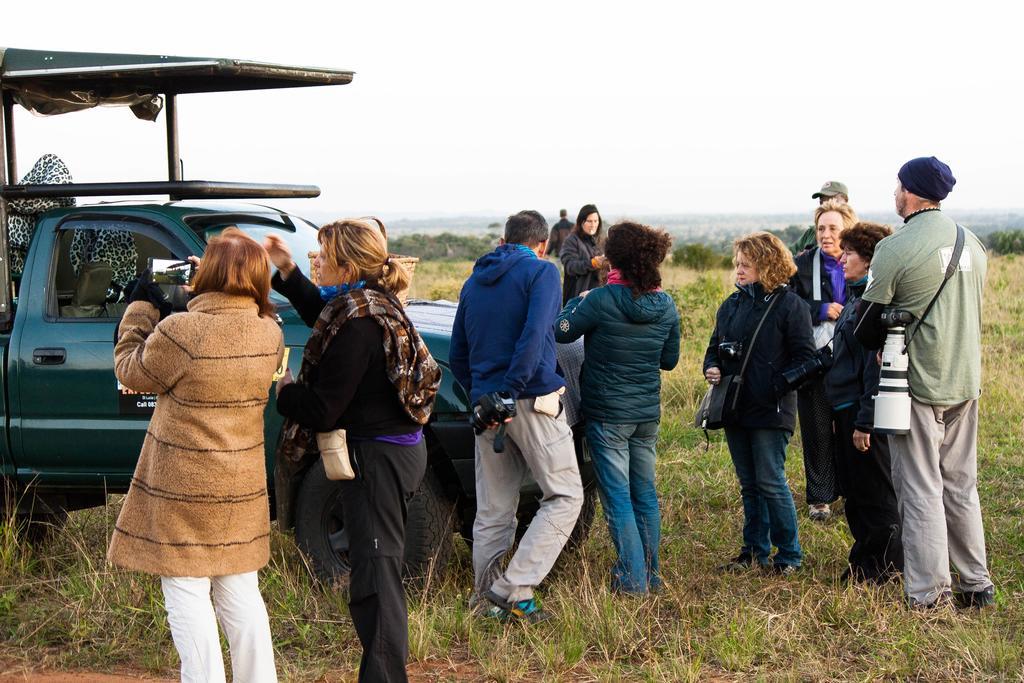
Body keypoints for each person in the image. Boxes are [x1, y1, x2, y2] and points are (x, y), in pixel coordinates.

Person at [266, 218, 441, 680]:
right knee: (371, 572)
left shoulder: (357, 324)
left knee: (378, 578)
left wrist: (284, 392)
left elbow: (323, 410)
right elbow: (319, 314)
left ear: (346, 264)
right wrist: (286, 270)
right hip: (391, 452)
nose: (315, 259)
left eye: (322, 253)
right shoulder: (366, 304)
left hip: (377, 459)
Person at [109, 229, 283, 682]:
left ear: (205, 273)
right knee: (240, 592)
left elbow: (131, 369)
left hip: (183, 486)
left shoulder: (181, 331)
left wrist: (142, 307)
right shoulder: (270, 334)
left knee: (186, 591)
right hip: (241, 485)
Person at [855, 156, 994, 609]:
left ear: (911, 192)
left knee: (919, 490)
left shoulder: (895, 247)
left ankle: (930, 594)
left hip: (915, 383)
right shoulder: (972, 242)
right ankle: (977, 584)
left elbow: (866, 327)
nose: (894, 193)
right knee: (960, 484)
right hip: (965, 381)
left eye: (897, 186)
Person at [450, 209, 584, 622]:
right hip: (529, 398)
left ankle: (484, 601)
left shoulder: (473, 282)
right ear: (542, 245)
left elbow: (458, 353)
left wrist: (483, 398)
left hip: (488, 405)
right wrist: (510, 392)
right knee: (565, 497)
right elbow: (535, 334)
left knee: (493, 509)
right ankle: (511, 590)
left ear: (504, 240)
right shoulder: (541, 274)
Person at [554, 222, 680, 594]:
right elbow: (670, 360)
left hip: (608, 416)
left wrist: (576, 303)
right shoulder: (666, 304)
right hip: (645, 415)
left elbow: (562, 331)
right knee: (645, 492)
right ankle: (651, 574)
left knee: (618, 498)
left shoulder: (599, 300)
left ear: (615, 258)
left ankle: (631, 579)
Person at [704, 232, 815, 575]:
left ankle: (789, 555)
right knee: (749, 483)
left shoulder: (790, 305)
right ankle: (754, 551)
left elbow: (807, 360)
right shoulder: (731, 305)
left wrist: (775, 385)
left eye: (746, 264)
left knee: (770, 481)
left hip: (772, 409)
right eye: (737, 263)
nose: (739, 270)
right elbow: (713, 347)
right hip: (735, 406)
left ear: (767, 264)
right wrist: (712, 366)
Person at [825, 221, 903, 583]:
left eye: (851, 253)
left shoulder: (869, 306)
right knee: (855, 493)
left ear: (871, 261)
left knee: (875, 493)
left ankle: (884, 566)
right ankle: (864, 561)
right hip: (844, 409)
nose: (842, 259)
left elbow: (875, 372)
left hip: (860, 413)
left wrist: (865, 422)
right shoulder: (856, 299)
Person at [790, 199, 859, 522]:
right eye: (821, 228)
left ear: (848, 230)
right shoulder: (802, 265)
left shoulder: (862, 262)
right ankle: (820, 498)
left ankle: (852, 490)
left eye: (833, 228)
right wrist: (821, 309)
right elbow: (788, 306)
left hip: (851, 355)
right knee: (816, 426)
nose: (826, 235)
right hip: (814, 355)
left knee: (850, 426)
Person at [559, 204, 607, 304]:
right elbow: (570, 266)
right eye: (589, 221)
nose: (593, 224)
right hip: (578, 297)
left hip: (598, 296)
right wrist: (592, 263)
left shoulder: (601, 240)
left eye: (596, 221)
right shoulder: (572, 241)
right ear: (582, 222)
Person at [792, 180, 850, 254]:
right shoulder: (812, 233)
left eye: (832, 200)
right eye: (822, 202)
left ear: (846, 201)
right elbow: (788, 255)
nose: (827, 205)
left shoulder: (858, 234)